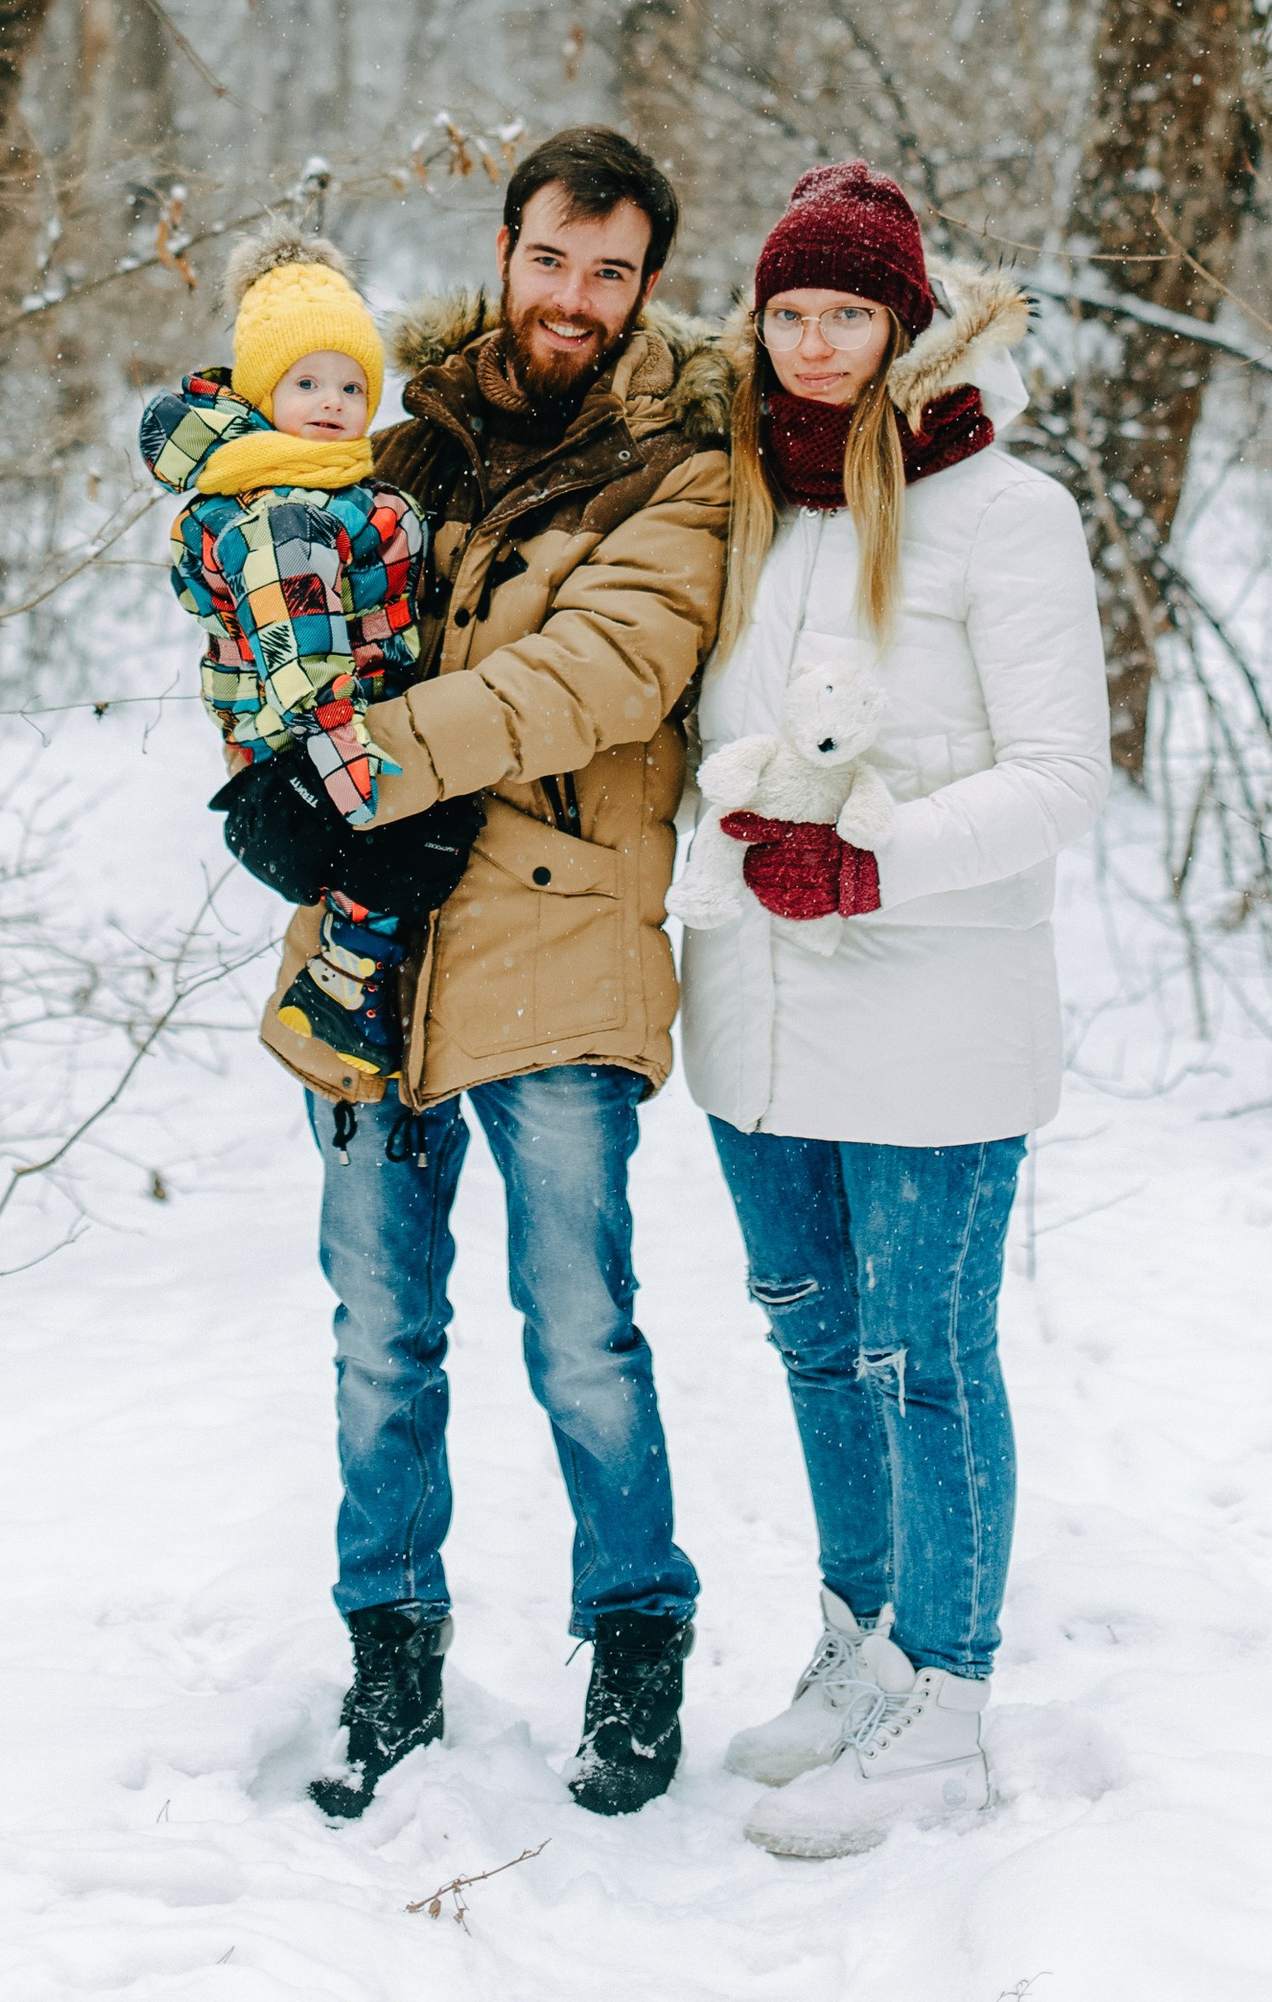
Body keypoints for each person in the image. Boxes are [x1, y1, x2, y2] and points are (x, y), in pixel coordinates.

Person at [260, 128, 729, 1824]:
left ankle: (635, 1637)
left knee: (581, 1328)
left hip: (560, 941)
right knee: (380, 1334)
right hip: (378, 949)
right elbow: (284, 634)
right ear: (508, 249)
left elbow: (600, 672)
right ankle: (389, 1656)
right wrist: (271, 781)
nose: (576, 300)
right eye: (553, 261)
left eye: (611, 274)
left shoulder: (688, 463)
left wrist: (362, 770)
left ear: (647, 287)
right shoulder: (402, 441)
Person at [679, 159, 1107, 1861]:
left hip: (936, 1003)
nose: (814, 342)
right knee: (810, 1338)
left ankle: (949, 1699)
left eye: (847, 311)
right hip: (758, 1014)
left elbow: (1065, 775)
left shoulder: (1009, 514)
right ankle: (860, 1648)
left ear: (906, 321)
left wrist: (880, 865)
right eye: (788, 310)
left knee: (925, 1356)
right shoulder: (748, 504)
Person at [140, 231, 479, 1080]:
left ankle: (347, 977)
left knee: (425, 830)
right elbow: (303, 650)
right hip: (306, 743)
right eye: (306, 382)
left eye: (352, 385)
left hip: (315, 735)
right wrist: (346, 762)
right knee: (427, 831)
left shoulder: (324, 484)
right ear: (262, 393)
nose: (332, 401)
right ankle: (339, 980)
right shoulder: (286, 511)